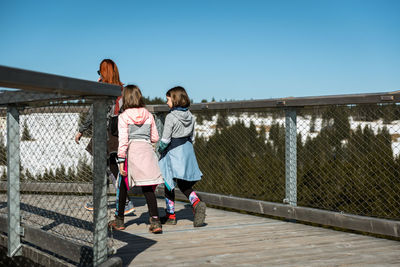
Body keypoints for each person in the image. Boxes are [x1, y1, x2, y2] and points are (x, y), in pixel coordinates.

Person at [75, 59, 135, 216]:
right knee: (112, 167)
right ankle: (124, 201)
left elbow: (93, 110)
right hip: (118, 132)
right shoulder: (121, 89)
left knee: (104, 167)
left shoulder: (103, 89)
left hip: (104, 132)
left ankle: (109, 201)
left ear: (104, 72)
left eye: (100, 71)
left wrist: (82, 130)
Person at [109, 85, 163, 233]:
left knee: (123, 186)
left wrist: (120, 161)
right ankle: (156, 221)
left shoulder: (124, 116)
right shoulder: (148, 114)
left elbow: (123, 141)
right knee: (148, 187)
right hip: (146, 152)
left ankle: (119, 220)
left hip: (131, 154)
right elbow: (155, 137)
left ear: (125, 98)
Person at [158, 86, 206, 227]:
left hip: (173, 151)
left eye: (168, 100)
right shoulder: (190, 115)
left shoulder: (170, 117)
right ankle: (196, 202)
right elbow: (192, 137)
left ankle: (171, 215)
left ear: (175, 100)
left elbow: (165, 139)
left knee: (168, 182)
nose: (166, 103)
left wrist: (159, 150)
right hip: (187, 150)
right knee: (184, 183)